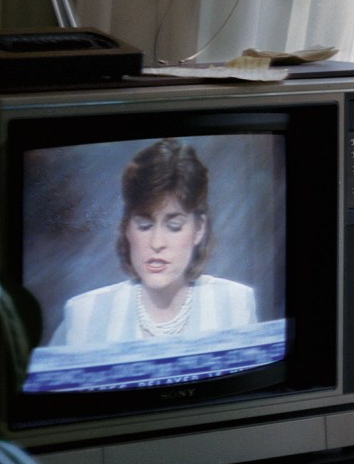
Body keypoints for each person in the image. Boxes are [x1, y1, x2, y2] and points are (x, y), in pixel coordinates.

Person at [53, 138, 260, 350]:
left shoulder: (234, 304)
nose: (157, 243)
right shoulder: (85, 316)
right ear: (127, 228)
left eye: (174, 226)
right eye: (144, 225)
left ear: (199, 229)